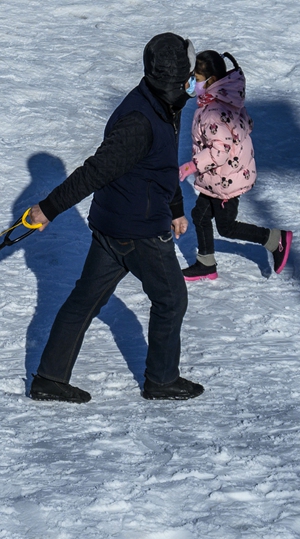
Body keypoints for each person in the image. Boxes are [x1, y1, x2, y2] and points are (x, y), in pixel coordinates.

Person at [25, 33, 204, 403]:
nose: (194, 79)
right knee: (171, 299)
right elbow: (96, 171)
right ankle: (162, 380)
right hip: (137, 231)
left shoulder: (162, 104)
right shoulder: (139, 121)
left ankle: (49, 378)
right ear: (176, 77)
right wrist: (49, 208)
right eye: (190, 71)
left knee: (85, 299)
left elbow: (161, 165)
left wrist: (173, 208)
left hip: (115, 225)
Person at [178, 51, 292, 281]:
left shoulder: (213, 111)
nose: (192, 83)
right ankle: (206, 263)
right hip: (220, 176)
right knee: (200, 216)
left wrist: (193, 165)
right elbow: (245, 124)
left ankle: (274, 239)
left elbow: (220, 150)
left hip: (225, 180)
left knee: (226, 226)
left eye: (196, 78)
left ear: (209, 81)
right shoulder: (227, 97)